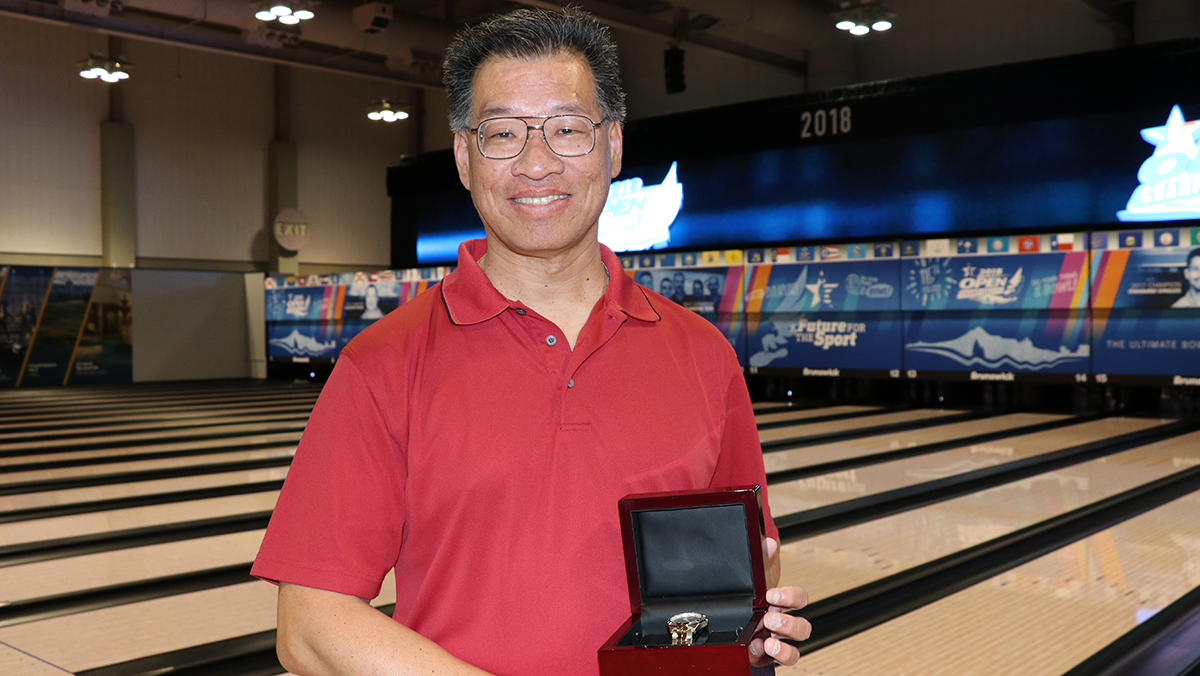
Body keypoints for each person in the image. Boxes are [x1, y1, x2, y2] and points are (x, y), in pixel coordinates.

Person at [252, 7, 810, 676]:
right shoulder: (383, 363)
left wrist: (744, 630)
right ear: (465, 157)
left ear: (613, 146)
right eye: (503, 134)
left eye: (567, 129)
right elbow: (310, 625)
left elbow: (744, 567)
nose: (537, 163)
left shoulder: (703, 354)